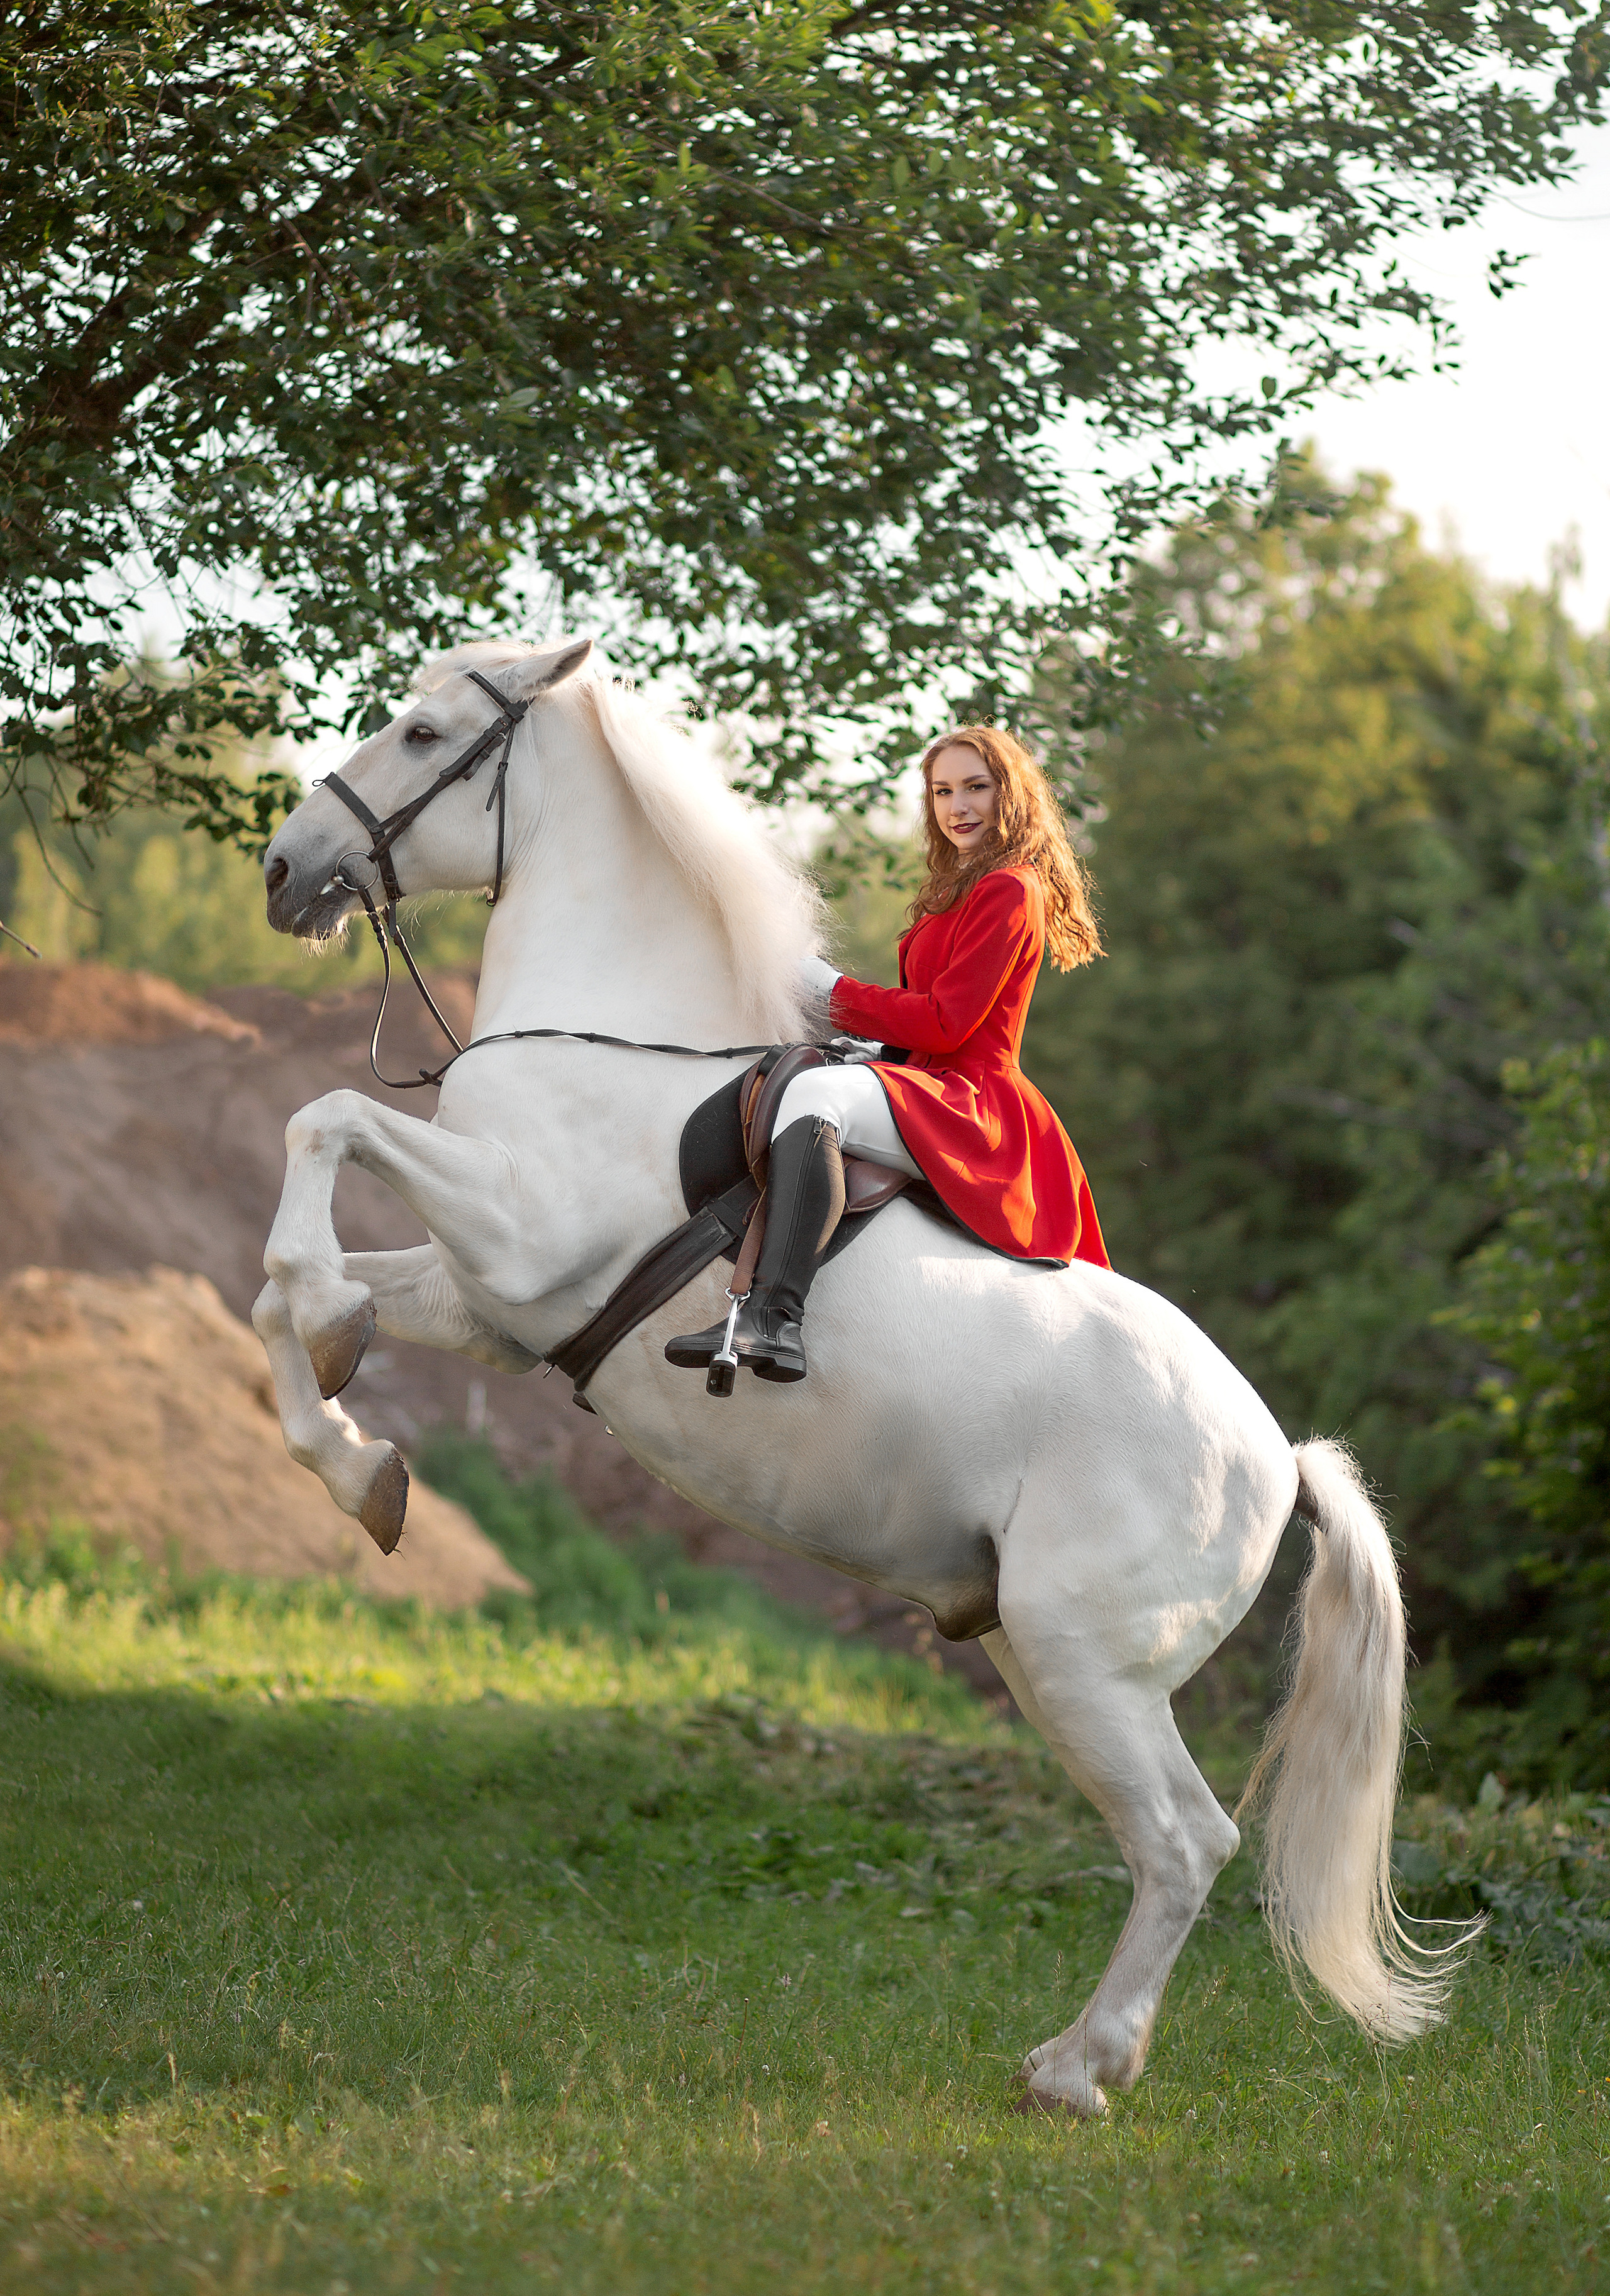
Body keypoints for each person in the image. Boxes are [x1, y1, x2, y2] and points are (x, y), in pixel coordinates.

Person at [667, 724, 1110, 1385]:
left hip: (971, 1101)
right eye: (942, 792)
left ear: (1010, 795)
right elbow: (923, 1019)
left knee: (813, 1099)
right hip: (923, 1077)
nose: (958, 806)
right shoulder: (956, 890)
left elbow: (948, 1021)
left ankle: (774, 1318)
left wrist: (834, 991)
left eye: (975, 788)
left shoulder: (1011, 889)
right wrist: (869, 1044)